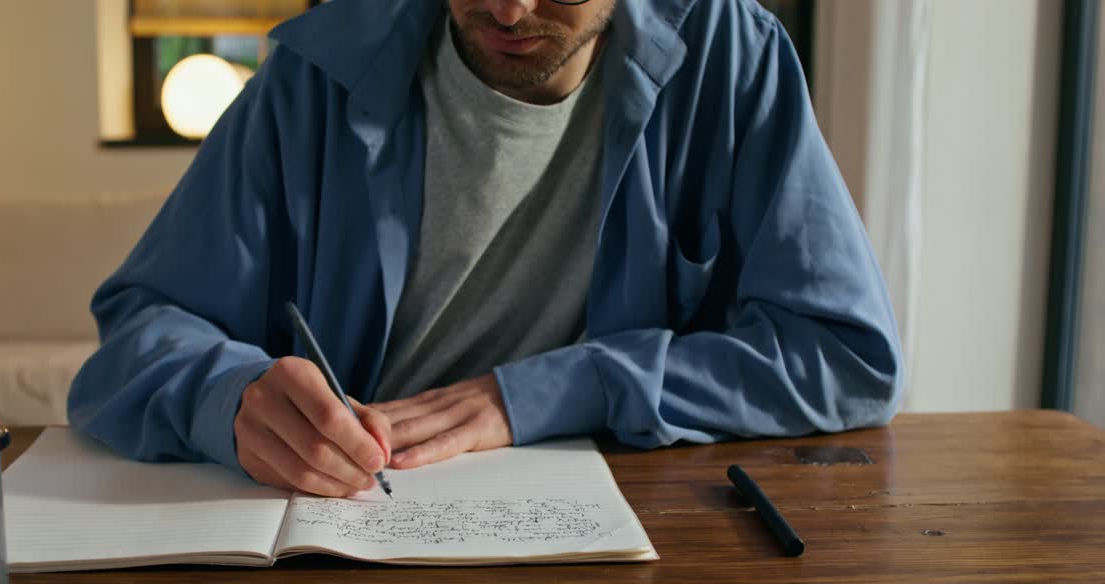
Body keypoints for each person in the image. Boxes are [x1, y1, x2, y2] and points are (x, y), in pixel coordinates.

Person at [68, 0, 903, 498]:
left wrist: (549, 391)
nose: (507, 11)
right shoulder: (316, 72)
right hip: (347, 538)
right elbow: (139, 335)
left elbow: (844, 355)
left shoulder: (732, 56)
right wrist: (234, 399)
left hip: (633, 552)